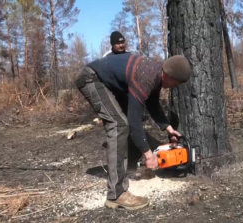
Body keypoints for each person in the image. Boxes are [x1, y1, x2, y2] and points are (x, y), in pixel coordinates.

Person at [76, 53, 191, 210]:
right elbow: (134, 121)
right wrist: (149, 155)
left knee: (123, 123)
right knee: (119, 124)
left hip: (109, 85)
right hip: (92, 79)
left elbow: (153, 106)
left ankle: (128, 166)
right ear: (168, 75)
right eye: (175, 83)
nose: (174, 87)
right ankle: (116, 194)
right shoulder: (146, 77)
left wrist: (169, 128)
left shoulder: (156, 74)